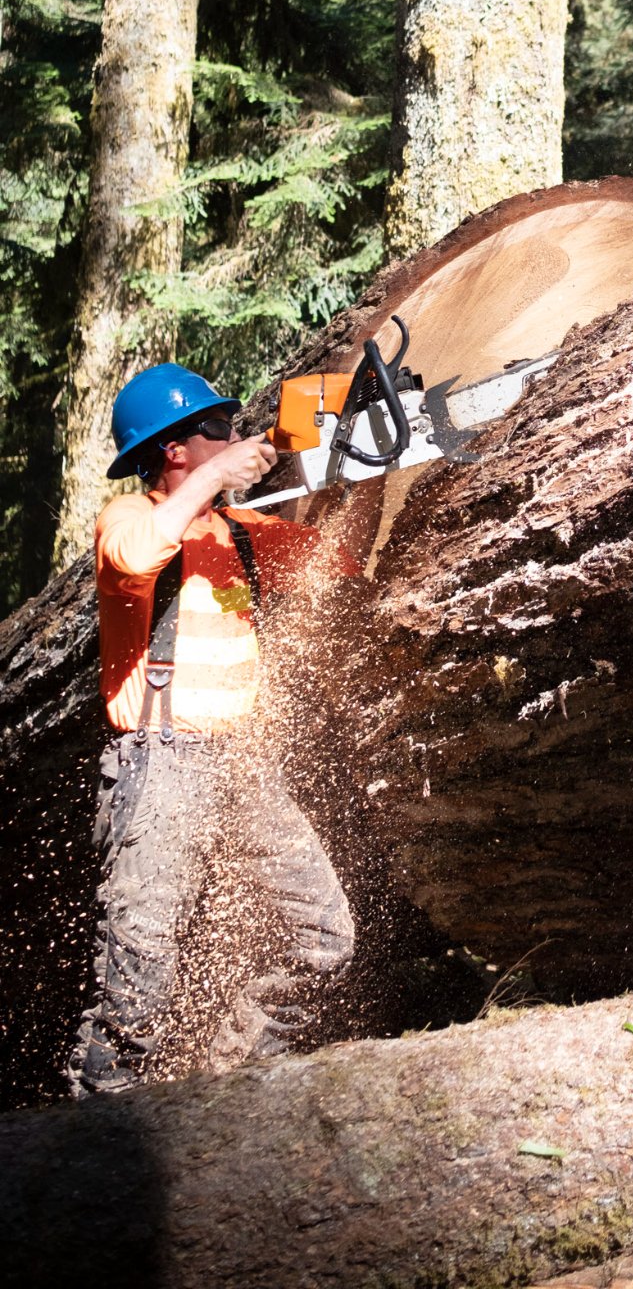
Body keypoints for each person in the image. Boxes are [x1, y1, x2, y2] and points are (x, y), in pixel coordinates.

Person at [68, 362, 357, 1095]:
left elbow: (340, 562)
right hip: (160, 767)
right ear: (174, 449)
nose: (233, 434)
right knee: (139, 978)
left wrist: (353, 463)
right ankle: (96, 1136)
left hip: (241, 767)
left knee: (323, 940)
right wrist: (223, 472)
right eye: (218, 428)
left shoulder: (245, 532)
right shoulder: (131, 521)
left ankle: (226, 1090)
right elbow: (134, 556)